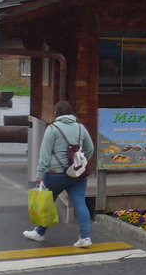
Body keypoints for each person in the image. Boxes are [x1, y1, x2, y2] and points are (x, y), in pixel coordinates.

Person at [24, 100, 95, 247]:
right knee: (80, 202)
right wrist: (81, 163)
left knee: (47, 202)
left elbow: (44, 154)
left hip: (56, 173)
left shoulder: (53, 128)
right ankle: (85, 237)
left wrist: (39, 174)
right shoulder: (81, 128)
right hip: (77, 174)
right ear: (71, 112)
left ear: (56, 112)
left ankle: (39, 232)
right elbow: (90, 149)